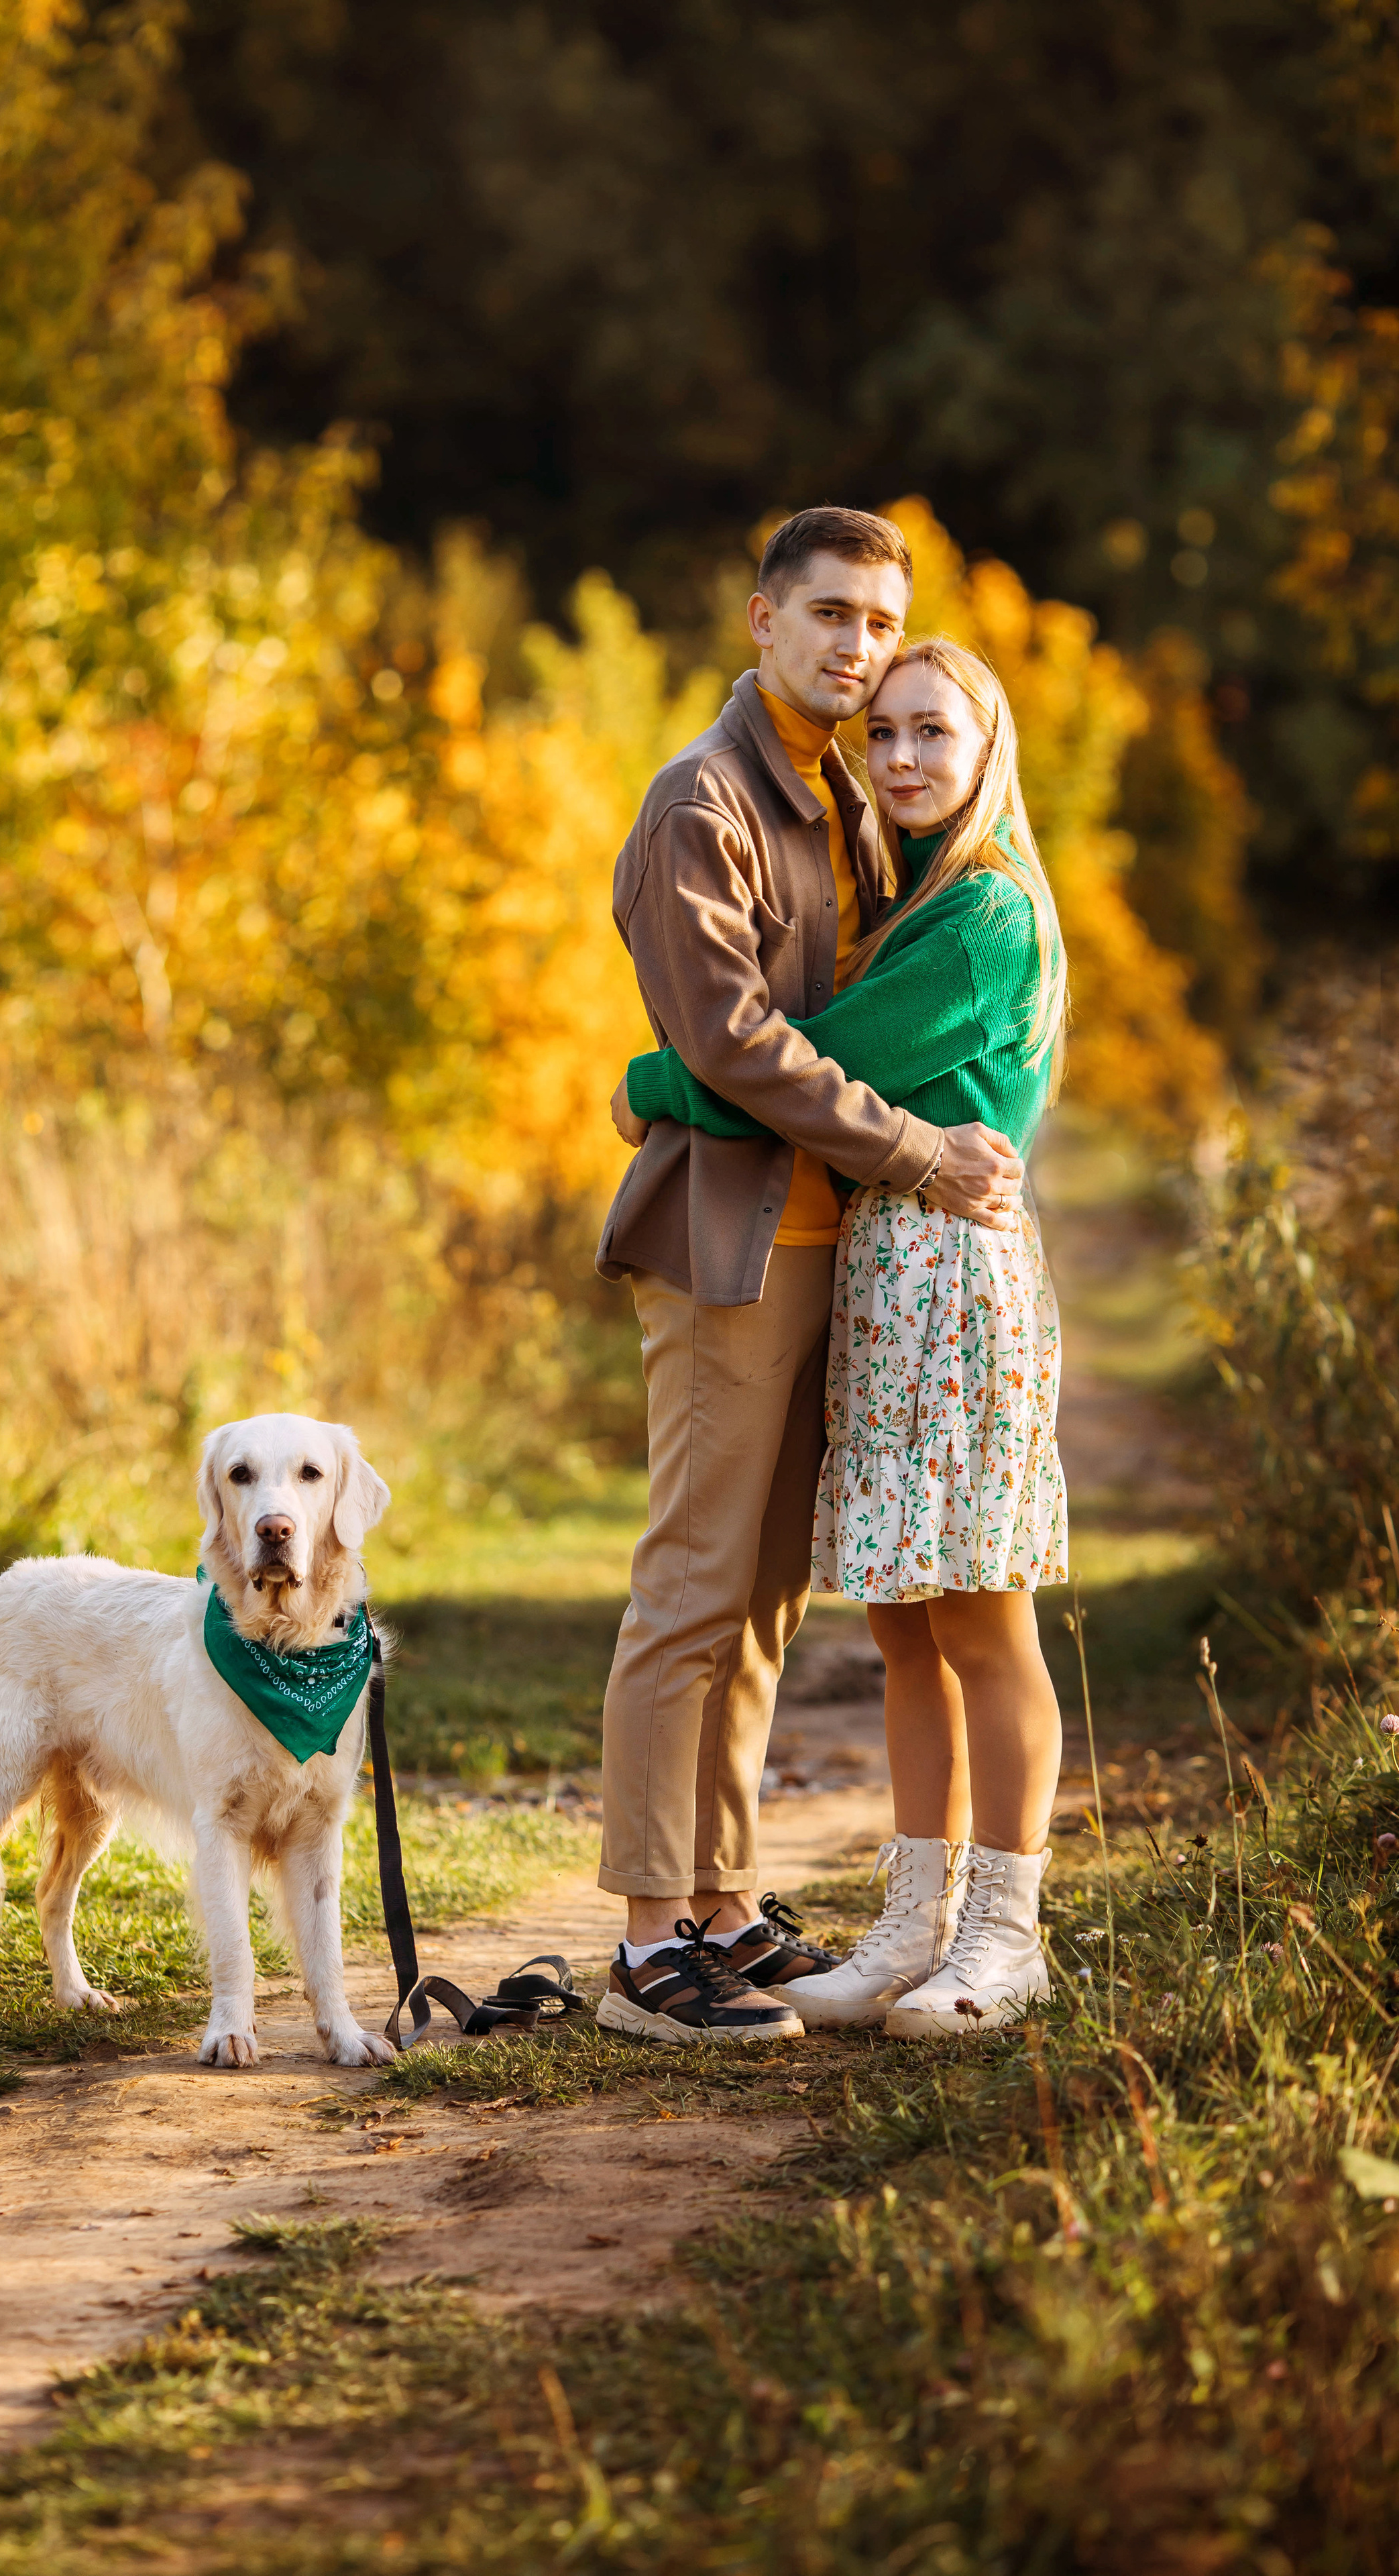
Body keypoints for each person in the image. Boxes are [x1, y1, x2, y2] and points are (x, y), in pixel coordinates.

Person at [590, 504, 1027, 2049]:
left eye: (874, 622)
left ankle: (719, 1902)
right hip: (725, 1246)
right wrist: (907, 1151)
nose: (852, 647)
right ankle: (649, 1943)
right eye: (827, 616)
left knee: (764, 1601)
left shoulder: (847, 797)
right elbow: (734, 1045)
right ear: (761, 621)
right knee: (692, 1591)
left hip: (826, 1252)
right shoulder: (699, 800)